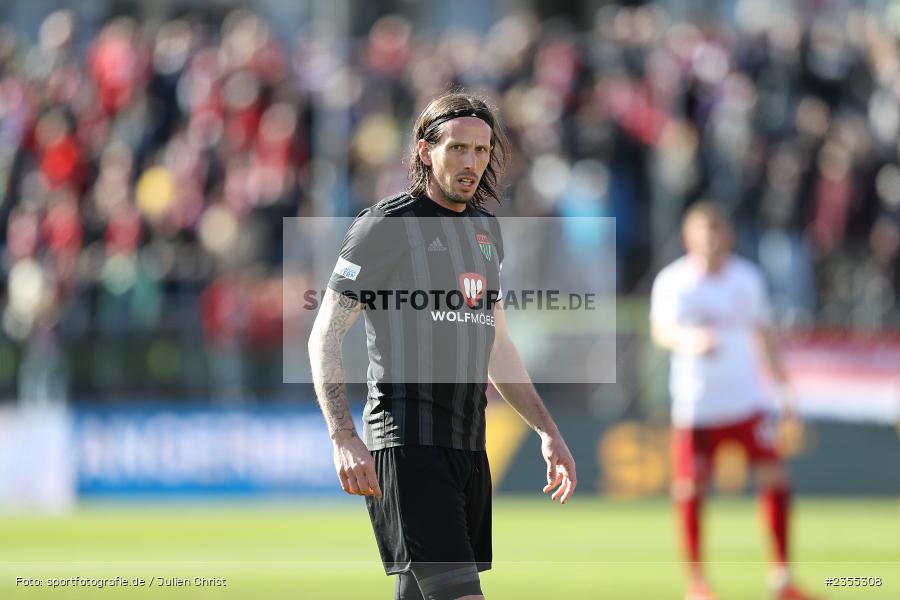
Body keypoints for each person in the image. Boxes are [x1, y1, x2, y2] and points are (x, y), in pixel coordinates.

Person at [308, 92, 577, 600]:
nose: (471, 162)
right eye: (457, 148)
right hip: (409, 445)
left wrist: (547, 429)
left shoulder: (484, 230)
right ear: (425, 150)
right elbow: (325, 333)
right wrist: (342, 434)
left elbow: (497, 344)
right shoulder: (385, 226)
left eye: (481, 150)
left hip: (467, 447)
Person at [650, 201, 818, 600]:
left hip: (746, 401)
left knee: (776, 478)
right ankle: (697, 582)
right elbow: (662, 330)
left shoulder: (746, 278)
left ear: (728, 235)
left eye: (717, 229)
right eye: (703, 230)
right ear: (688, 237)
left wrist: (783, 388)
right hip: (697, 406)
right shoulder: (675, 282)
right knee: (691, 489)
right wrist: (689, 340)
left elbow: (764, 335)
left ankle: (782, 579)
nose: (711, 238)